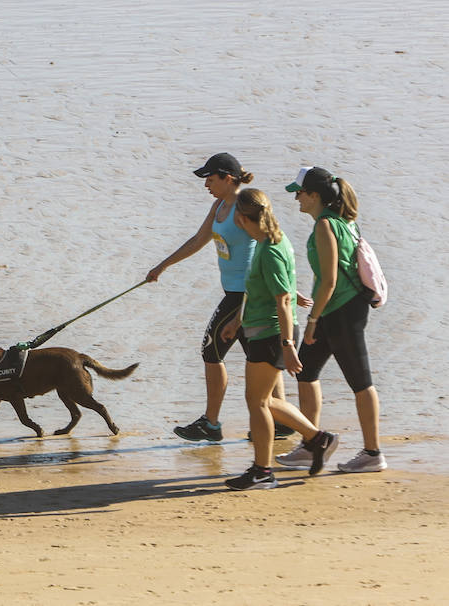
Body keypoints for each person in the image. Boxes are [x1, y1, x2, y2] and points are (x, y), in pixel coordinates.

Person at [146, 153, 292, 442]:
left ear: (228, 178)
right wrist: (163, 265)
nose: (206, 185)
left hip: (244, 294)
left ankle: (211, 424)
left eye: (210, 179)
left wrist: (285, 286)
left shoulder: (245, 206)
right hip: (235, 293)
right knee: (260, 357)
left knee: (211, 352)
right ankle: (282, 421)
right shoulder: (219, 206)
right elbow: (199, 240)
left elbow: (270, 239)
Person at [221, 189, 339, 490]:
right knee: (265, 400)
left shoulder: (271, 248)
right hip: (262, 330)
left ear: (241, 218)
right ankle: (318, 438)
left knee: (256, 401)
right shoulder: (267, 241)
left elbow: (284, 300)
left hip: (272, 334)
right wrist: (236, 321)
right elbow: (259, 287)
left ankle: (262, 471)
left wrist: (288, 346)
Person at [276, 167, 386, 473]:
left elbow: (329, 281)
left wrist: (311, 320)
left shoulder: (326, 225)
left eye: (299, 192)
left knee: (360, 380)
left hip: (341, 311)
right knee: (306, 371)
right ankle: (311, 445)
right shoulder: (343, 222)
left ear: (314, 196)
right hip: (333, 310)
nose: (296, 198)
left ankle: (373, 453)